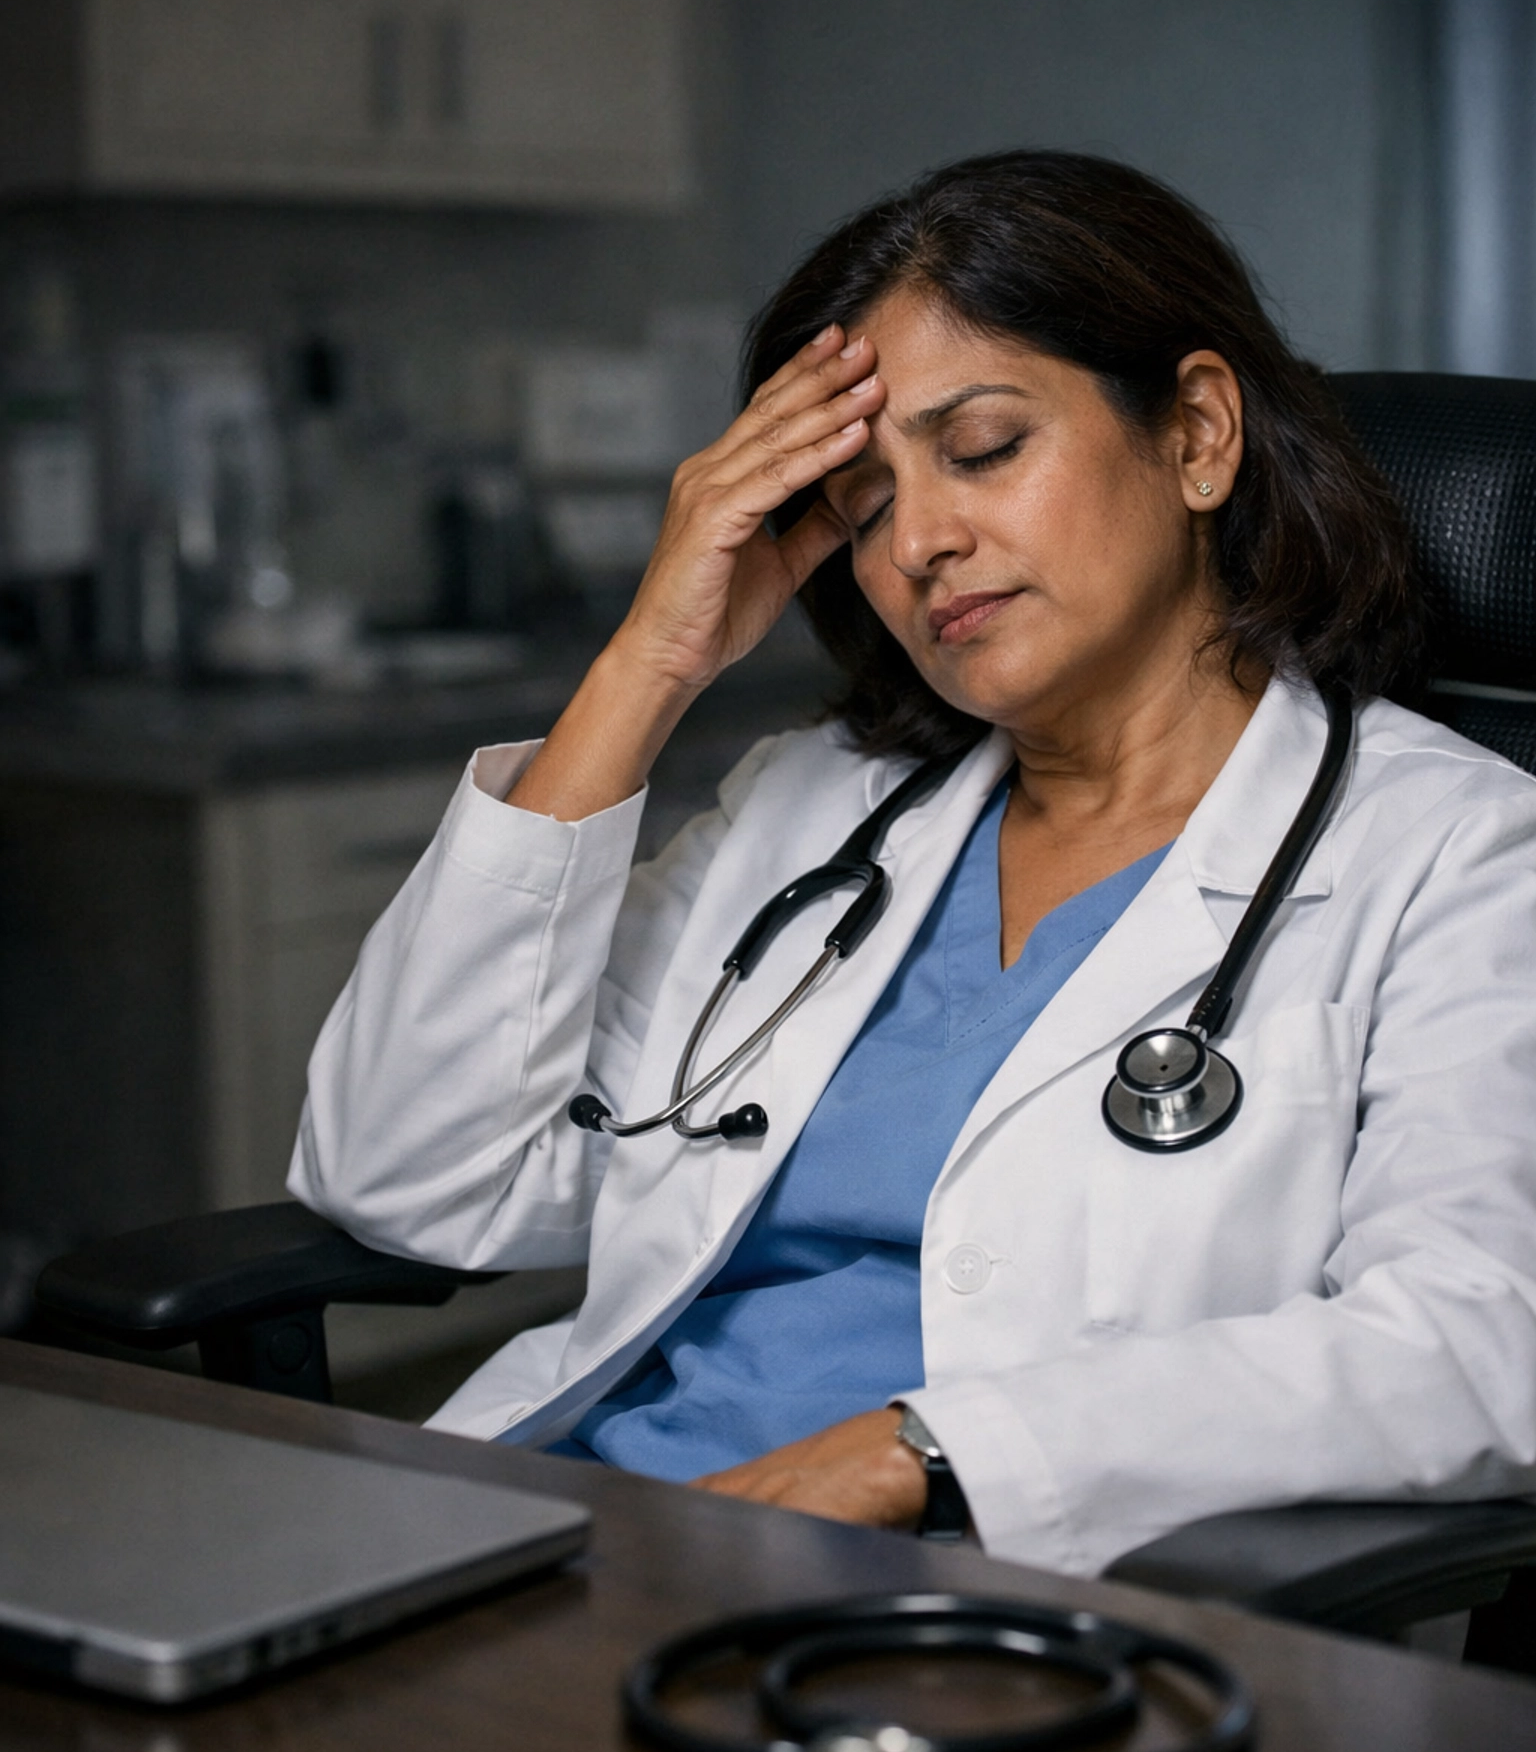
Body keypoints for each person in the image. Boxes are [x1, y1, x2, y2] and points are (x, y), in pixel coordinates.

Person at [291, 151, 1536, 1576]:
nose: (926, 544)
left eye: (987, 447)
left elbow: (1486, 1338)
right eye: (866, 508)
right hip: (572, 1534)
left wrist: (927, 1451)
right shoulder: (810, 816)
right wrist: (650, 663)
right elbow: (403, 1176)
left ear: (1196, 434)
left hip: (955, 1614)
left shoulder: (1458, 854)